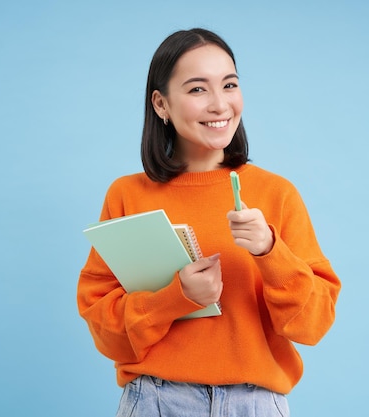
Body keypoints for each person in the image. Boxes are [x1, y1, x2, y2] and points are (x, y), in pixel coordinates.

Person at [77, 28, 341, 417]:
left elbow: (313, 326)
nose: (220, 105)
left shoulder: (276, 194)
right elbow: (106, 333)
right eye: (198, 89)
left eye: (229, 85)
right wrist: (176, 297)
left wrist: (270, 251)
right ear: (161, 104)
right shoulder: (127, 195)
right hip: (157, 401)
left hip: (256, 405)